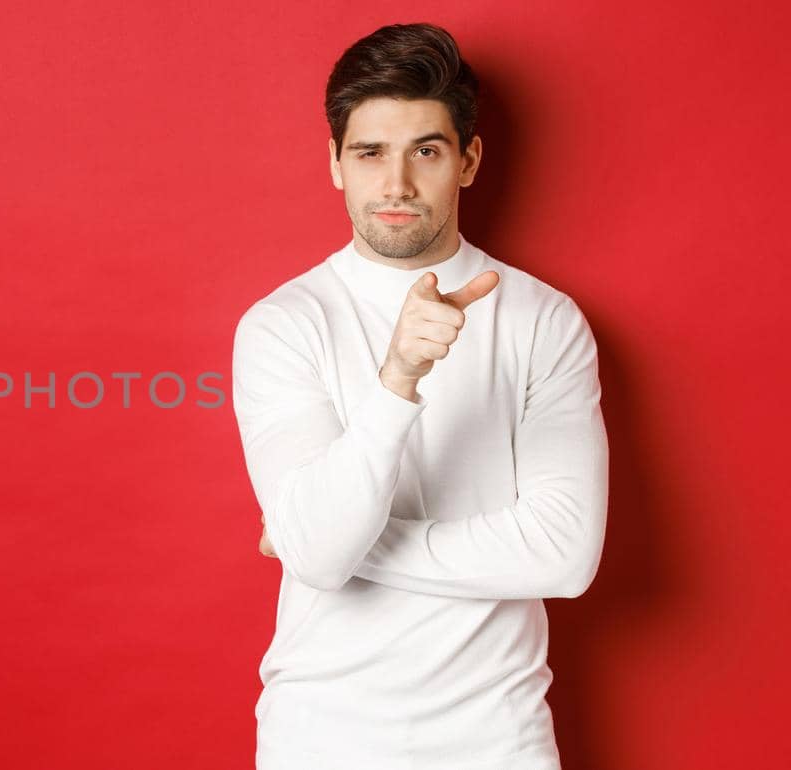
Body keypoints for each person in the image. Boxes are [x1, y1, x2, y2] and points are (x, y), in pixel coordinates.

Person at [230, 22, 609, 770]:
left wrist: (330, 547)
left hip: (500, 740)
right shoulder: (283, 325)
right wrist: (397, 380)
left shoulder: (544, 320)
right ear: (336, 164)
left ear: (467, 161)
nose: (396, 184)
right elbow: (318, 549)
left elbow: (564, 558)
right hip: (320, 737)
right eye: (370, 153)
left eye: (425, 151)